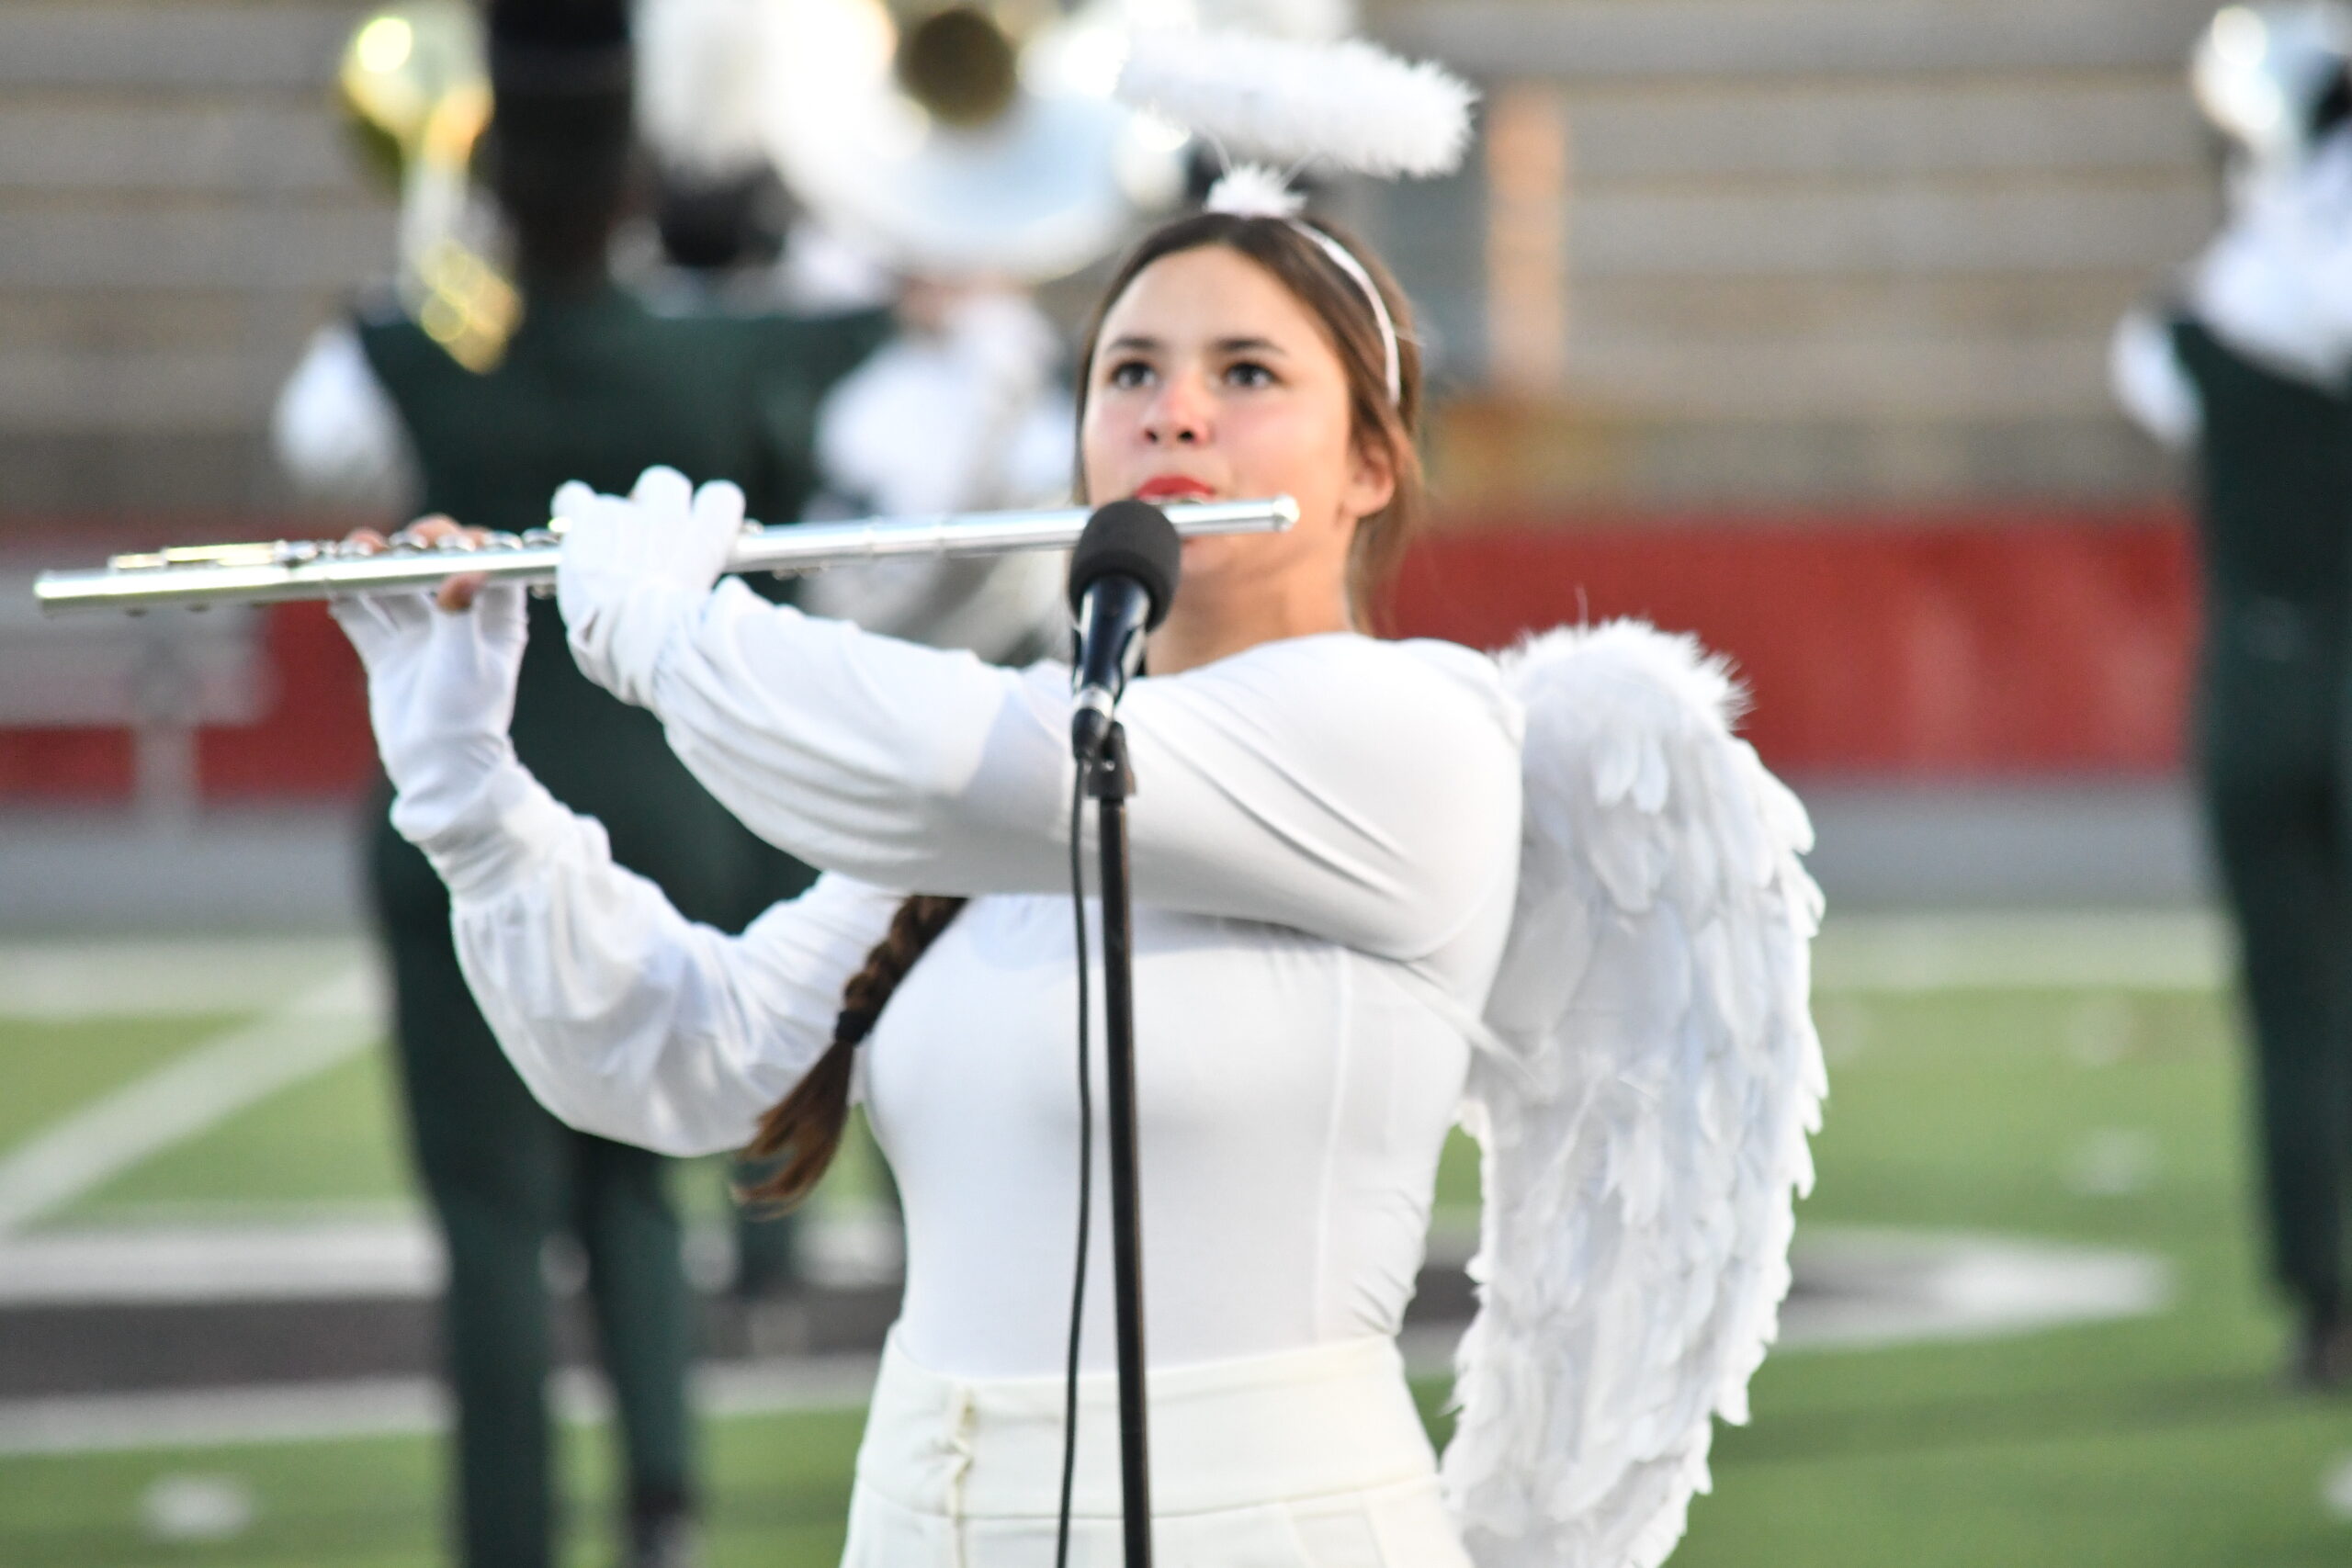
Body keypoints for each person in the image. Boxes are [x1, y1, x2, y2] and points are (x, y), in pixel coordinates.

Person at [327, 34, 1823, 1564]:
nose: (1175, 416)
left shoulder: (1411, 733)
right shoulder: (1002, 795)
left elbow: (983, 759)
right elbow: (682, 1053)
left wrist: (674, 633)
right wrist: (465, 789)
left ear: (1373, 463)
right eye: (1131, 373)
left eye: (1247, 375)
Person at [273, 2, 888, 1562]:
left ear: (492, 178)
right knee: (635, 1184)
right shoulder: (724, 355)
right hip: (671, 819)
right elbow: (870, 333)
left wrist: (442, 257)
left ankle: (510, 1536)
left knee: (487, 1223)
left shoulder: (398, 348)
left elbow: (318, 456)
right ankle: (665, 1498)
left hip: (456, 827)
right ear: (630, 187)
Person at [2111, 0, 2352, 1388]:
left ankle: (2325, 1304)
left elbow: (2161, 362)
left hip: (2257, 680)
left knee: (2291, 1002)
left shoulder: (2213, 315)